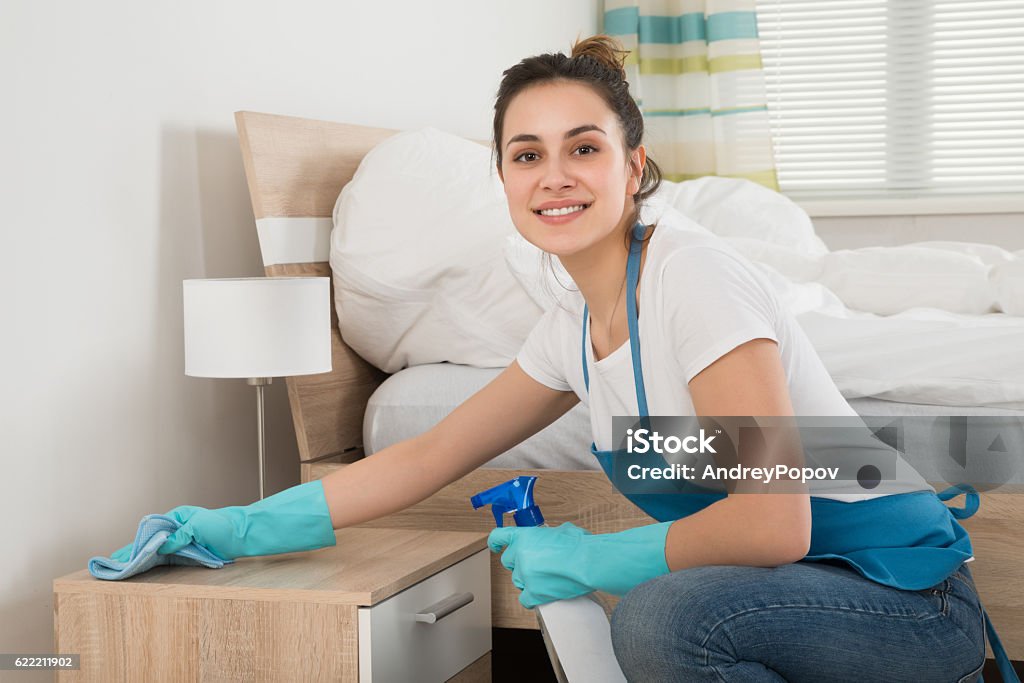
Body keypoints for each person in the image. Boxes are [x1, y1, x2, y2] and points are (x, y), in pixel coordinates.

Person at [112, 36, 1007, 682]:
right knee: (669, 618)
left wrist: (593, 559)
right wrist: (230, 527)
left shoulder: (694, 278)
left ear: (633, 166)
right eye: (527, 154)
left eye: (585, 148)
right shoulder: (572, 329)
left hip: (903, 600)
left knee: (663, 616)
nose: (556, 176)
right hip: (798, 597)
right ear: (501, 179)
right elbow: (421, 459)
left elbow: (775, 523)